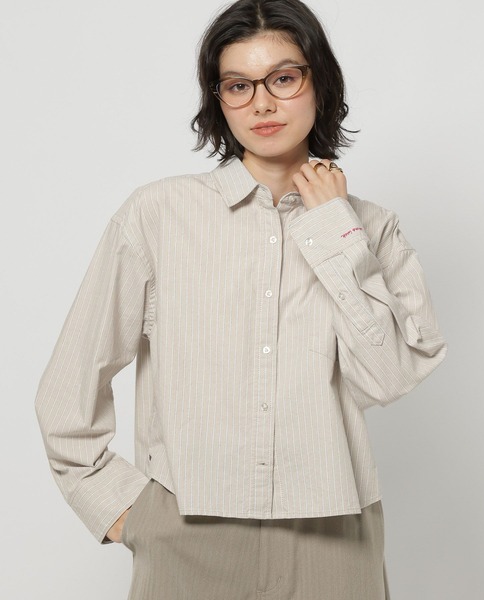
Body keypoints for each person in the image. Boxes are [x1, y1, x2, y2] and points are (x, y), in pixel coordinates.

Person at [35, 0, 447, 598]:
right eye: (238, 85)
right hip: (188, 533)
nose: (262, 103)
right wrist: (123, 511)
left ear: (320, 83)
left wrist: (334, 231)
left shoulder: (371, 229)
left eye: (283, 78)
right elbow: (68, 386)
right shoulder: (157, 215)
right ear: (219, 100)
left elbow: (387, 378)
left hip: (335, 535)